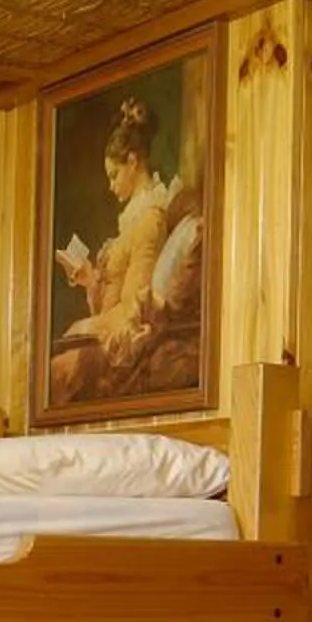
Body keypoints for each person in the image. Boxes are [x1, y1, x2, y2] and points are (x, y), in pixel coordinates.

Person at [51, 97, 202, 405]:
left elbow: (134, 303)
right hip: (112, 319)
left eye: (114, 174)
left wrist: (88, 326)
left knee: (62, 365)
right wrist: (91, 280)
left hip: (125, 324)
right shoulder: (134, 220)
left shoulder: (149, 221)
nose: (110, 185)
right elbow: (115, 296)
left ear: (133, 162)